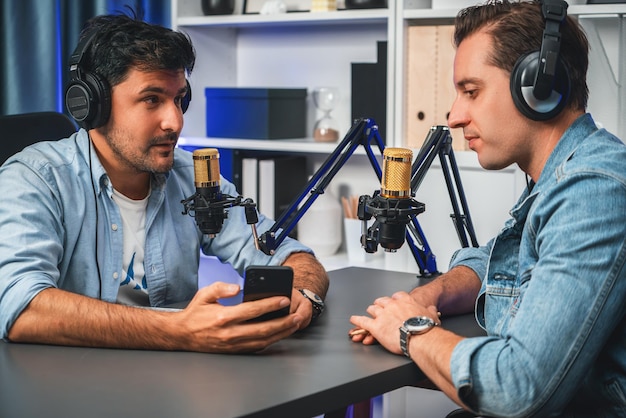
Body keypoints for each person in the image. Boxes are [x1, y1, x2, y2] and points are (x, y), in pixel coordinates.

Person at [349, 1, 626, 416]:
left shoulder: (592, 190)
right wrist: (431, 295)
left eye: (471, 92)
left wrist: (410, 328)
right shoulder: (557, 176)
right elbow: (496, 261)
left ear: (538, 88)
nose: (456, 117)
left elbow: (517, 386)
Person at [0, 12, 328, 353]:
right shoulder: (35, 179)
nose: (175, 121)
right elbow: (19, 305)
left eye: (179, 99)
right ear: (93, 105)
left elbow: (291, 256)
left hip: (175, 383)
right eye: (152, 99)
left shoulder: (191, 175)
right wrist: (178, 330)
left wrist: (303, 293)